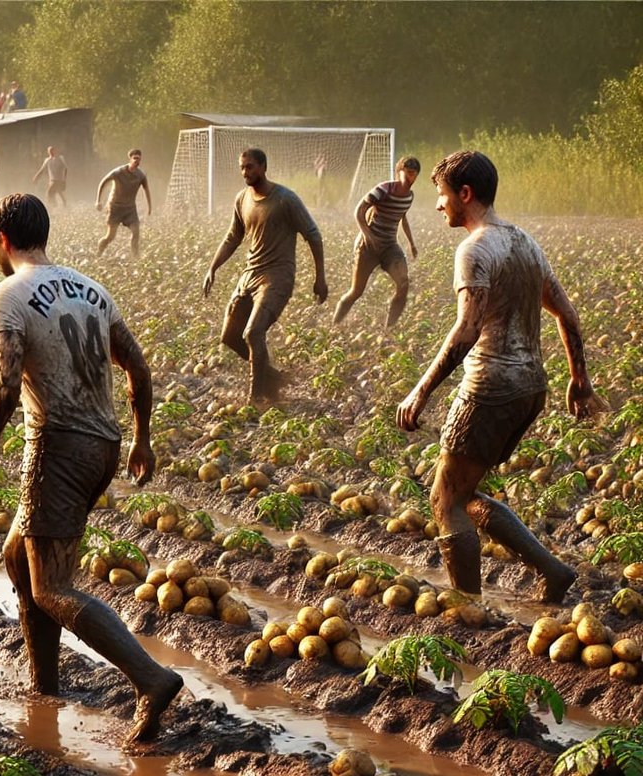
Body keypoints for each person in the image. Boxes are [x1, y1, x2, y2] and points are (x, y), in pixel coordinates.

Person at [0, 193, 182, 741]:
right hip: (104, 444)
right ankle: (45, 686)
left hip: (58, 449)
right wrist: (142, 440)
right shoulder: (92, 289)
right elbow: (135, 363)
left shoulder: (7, 294)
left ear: (3, 242)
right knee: (19, 556)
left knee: (51, 587)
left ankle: (151, 679)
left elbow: (6, 383)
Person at [397, 150, 592, 604]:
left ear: (465, 194)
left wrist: (420, 391)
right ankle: (553, 571)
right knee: (467, 492)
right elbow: (567, 313)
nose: (439, 205)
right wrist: (578, 379)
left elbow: (467, 328)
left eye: (443, 196)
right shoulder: (524, 242)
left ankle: (467, 608)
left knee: (445, 501)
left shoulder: (475, 249)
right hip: (531, 388)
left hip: (490, 388)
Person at [202, 147, 326, 404]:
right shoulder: (242, 199)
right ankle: (272, 377)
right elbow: (233, 237)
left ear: (263, 167)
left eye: (250, 167)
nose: (245, 172)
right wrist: (212, 268)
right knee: (230, 337)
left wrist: (320, 278)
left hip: (277, 277)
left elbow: (313, 235)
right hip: (250, 275)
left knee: (253, 333)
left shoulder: (285, 199)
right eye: (242, 167)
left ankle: (256, 397)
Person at [334, 156, 422, 328]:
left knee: (404, 283)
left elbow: (402, 217)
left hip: (389, 245)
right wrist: (368, 236)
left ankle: (389, 329)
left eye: (414, 174)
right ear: (399, 172)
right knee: (356, 291)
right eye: (408, 173)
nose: (410, 178)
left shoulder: (409, 197)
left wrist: (411, 243)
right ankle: (335, 324)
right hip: (368, 246)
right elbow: (359, 211)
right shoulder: (383, 189)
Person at [95, 149, 152, 258]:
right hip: (115, 207)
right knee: (110, 236)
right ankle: (100, 250)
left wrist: (149, 207)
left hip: (130, 208)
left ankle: (135, 257)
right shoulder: (119, 172)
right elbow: (103, 182)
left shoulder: (141, 175)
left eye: (138, 158)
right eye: (135, 158)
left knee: (136, 232)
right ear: (130, 159)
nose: (137, 161)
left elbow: (146, 190)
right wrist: (98, 201)